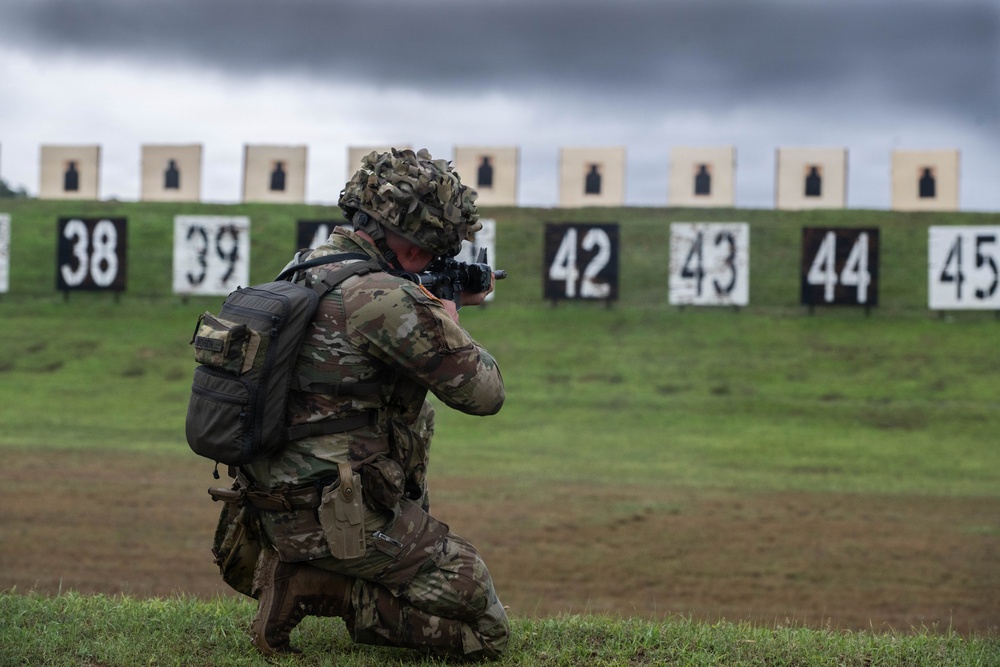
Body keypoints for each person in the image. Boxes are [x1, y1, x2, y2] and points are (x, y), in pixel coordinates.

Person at [241, 148, 508, 660]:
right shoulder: (384, 299)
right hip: (335, 519)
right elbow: (485, 394)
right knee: (482, 618)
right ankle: (318, 587)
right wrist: (447, 320)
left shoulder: (303, 270)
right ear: (412, 244)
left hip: (271, 508)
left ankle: (314, 571)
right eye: (434, 250)